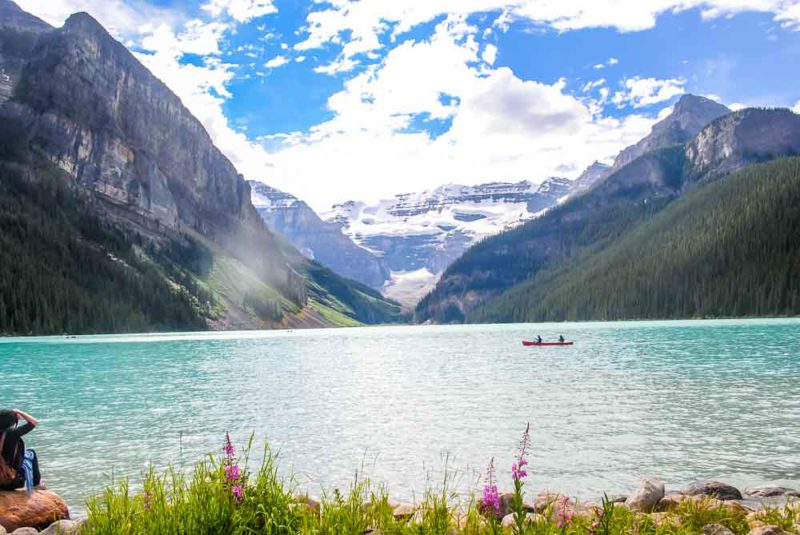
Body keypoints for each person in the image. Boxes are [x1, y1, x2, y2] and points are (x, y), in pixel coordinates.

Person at [0, 408, 41, 493]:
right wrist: (18, 412)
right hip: (11, 482)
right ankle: (36, 484)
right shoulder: (13, 433)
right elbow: (34, 422)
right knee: (31, 452)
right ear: (12, 422)